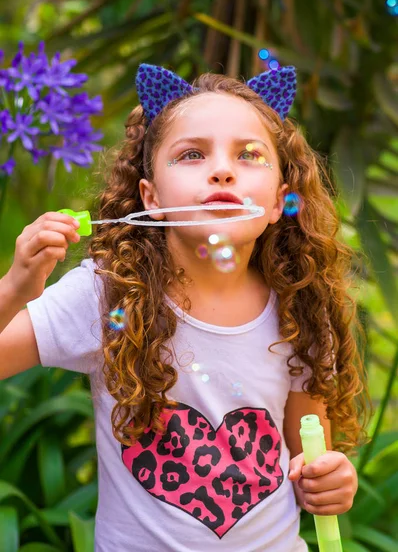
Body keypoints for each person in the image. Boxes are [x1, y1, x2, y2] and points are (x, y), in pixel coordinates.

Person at [0, 63, 371, 551]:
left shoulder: (300, 307)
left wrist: (330, 481)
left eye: (249, 155)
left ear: (280, 201)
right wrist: (14, 288)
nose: (222, 168)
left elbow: (307, 457)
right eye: (192, 154)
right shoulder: (109, 292)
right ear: (150, 198)